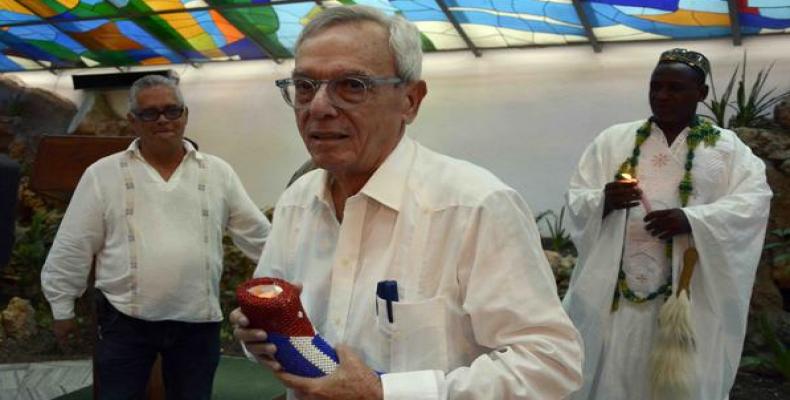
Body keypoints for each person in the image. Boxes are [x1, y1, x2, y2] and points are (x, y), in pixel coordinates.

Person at [231, 5, 582, 400]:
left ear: (410, 101)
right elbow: (279, 322)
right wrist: (259, 335)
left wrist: (386, 392)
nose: (318, 107)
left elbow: (551, 364)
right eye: (305, 86)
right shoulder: (298, 201)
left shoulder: (473, 206)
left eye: (351, 85)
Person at [41, 75, 270, 399]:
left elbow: (259, 236)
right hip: (124, 323)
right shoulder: (102, 174)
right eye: (150, 113)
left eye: (171, 111)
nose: (162, 119)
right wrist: (61, 307)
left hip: (197, 322)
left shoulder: (218, 173)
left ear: (185, 115)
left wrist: (294, 276)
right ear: (132, 120)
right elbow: (74, 243)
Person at [563, 49, 772, 399]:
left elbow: (753, 203)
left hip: (687, 296)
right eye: (656, 86)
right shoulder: (614, 140)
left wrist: (692, 220)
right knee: (611, 371)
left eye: (675, 88)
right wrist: (603, 200)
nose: (662, 95)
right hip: (617, 296)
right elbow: (576, 196)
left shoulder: (727, 148)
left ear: (701, 94)